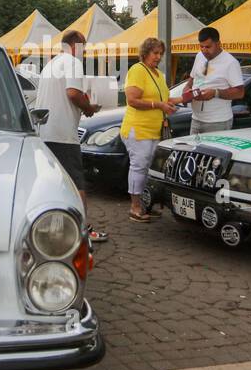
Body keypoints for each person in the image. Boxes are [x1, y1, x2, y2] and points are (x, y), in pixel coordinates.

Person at [35, 30, 106, 243]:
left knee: (53, 183)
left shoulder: (51, 63)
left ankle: (53, 226)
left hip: (45, 132)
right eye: (84, 47)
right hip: (63, 133)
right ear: (76, 46)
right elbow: (73, 93)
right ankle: (83, 230)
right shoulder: (73, 62)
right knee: (77, 184)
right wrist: (89, 108)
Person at [121, 37, 180, 222]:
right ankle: (135, 207)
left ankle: (144, 205)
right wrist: (159, 105)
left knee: (148, 169)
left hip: (155, 130)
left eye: (160, 53)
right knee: (139, 167)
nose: (158, 57)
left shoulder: (158, 74)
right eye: (155, 53)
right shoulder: (137, 70)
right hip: (138, 129)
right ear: (145, 53)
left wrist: (185, 98)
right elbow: (132, 100)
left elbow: (166, 99)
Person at [182, 27, 245, 135]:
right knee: (193, 151)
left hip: (218, 121)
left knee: (212, 152)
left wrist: (215, 93)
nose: (204, 50)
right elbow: (192, 79)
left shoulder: (231, 62)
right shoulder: (199, 56)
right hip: (196, 119)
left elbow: (240, 92)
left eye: (208, 47)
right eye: (201, 46)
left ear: (218, 43)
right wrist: (186, 90)